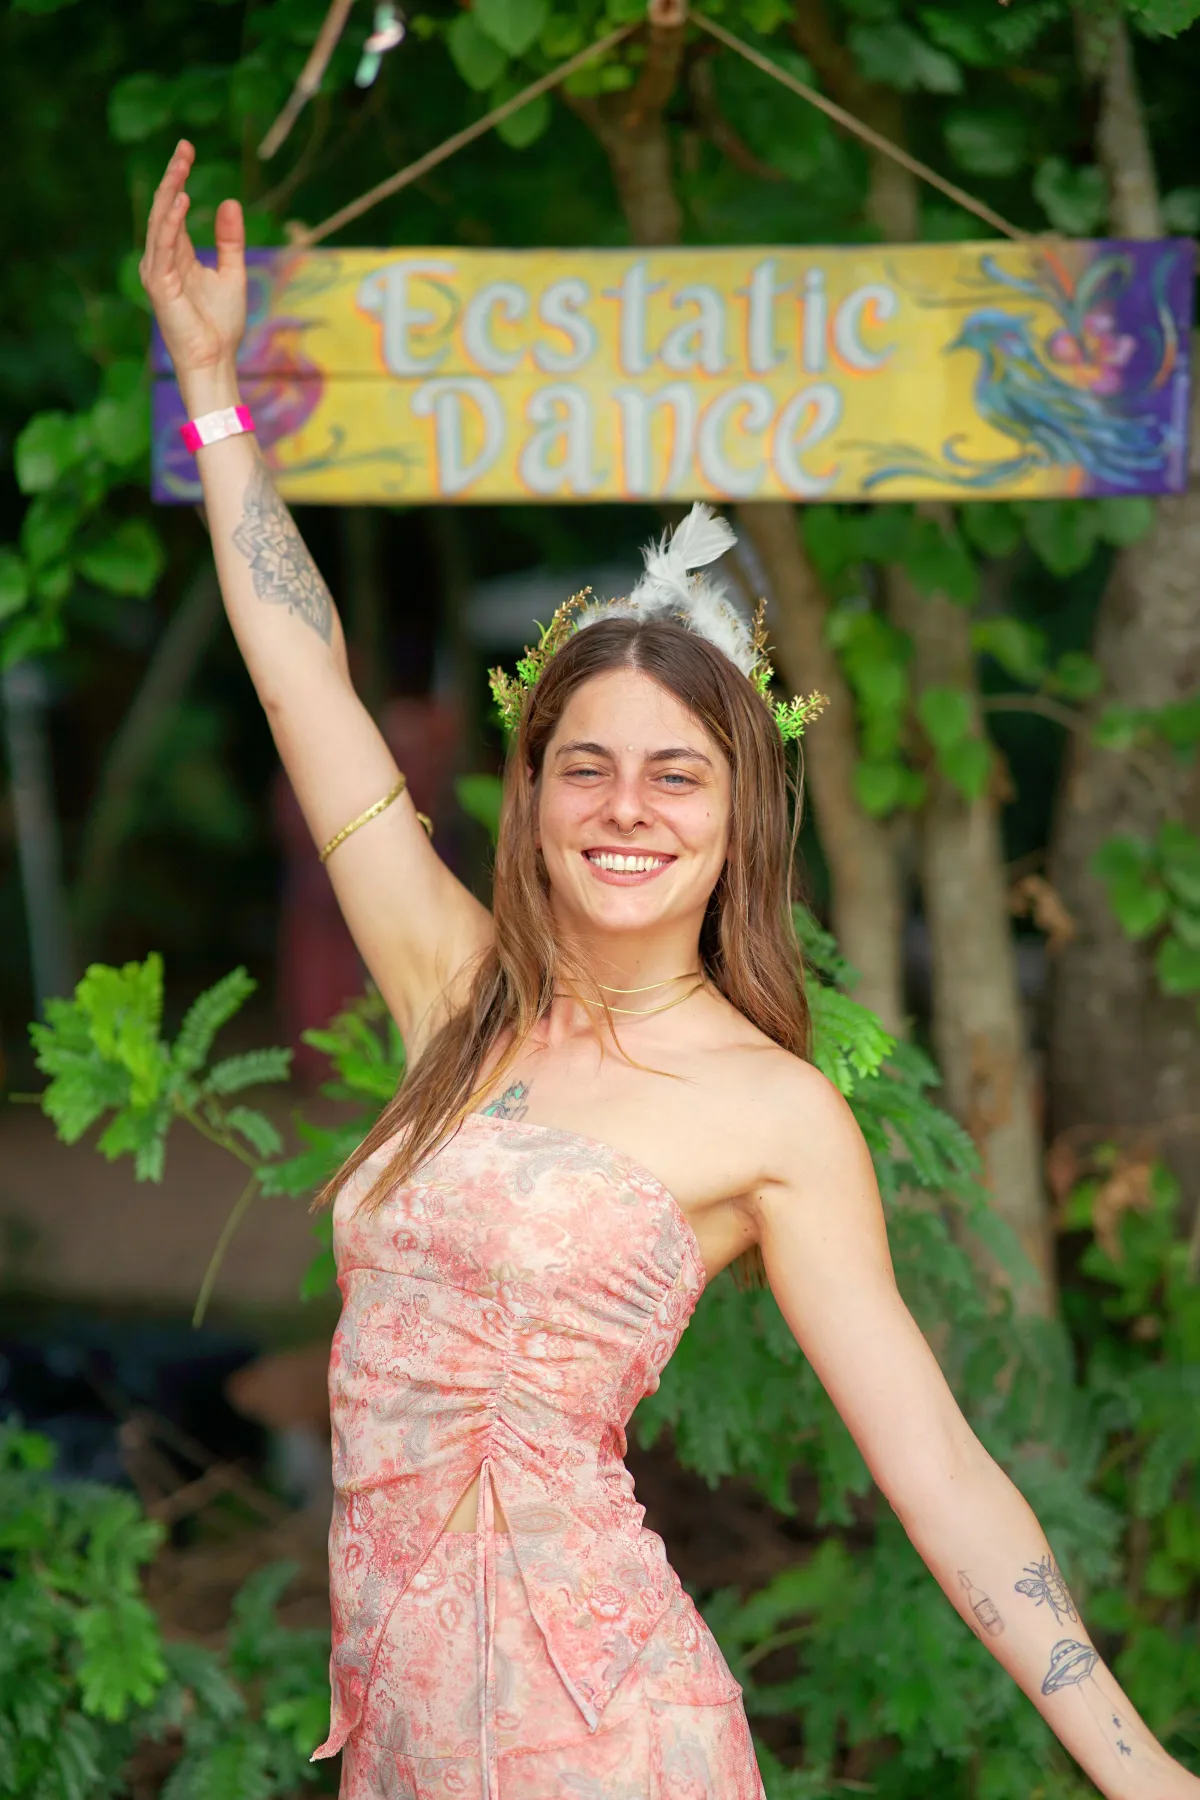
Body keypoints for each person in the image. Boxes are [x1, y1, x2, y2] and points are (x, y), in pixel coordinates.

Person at [141, 141, 1200, 1800]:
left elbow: (936, 1468)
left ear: (737, 822)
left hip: (606, 1736)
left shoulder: (775, 1116)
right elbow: (301, 678)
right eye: (589, 766)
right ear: (535, 793)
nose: (627, 808)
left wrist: (1138, 1770)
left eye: (677, 774)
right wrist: (211, 392)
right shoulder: (449, 995)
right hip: (404, 1734)